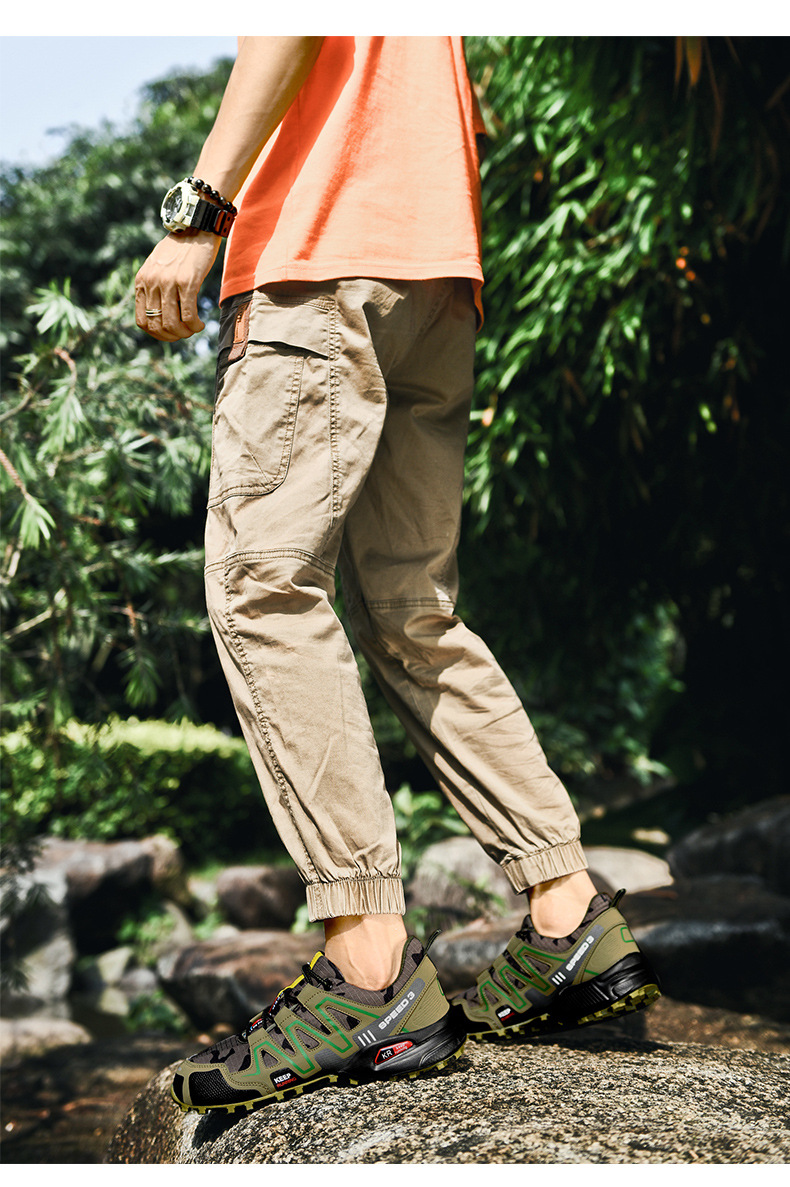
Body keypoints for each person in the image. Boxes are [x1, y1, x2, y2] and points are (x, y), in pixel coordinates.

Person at [135, 36, 660, 1114]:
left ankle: (367, 970)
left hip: (320, 256)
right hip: (436, 274)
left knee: (264, 588)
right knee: (413, 611)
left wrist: (200, 213)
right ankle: (567, 913)